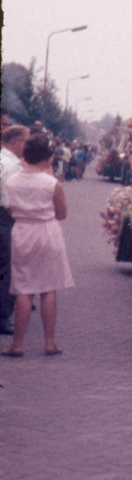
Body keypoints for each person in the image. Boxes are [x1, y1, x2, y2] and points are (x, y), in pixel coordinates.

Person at [1, 134, 74, 357]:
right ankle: (50, 342)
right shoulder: (52, 184)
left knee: (24, 288)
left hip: (22, 231)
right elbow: (62, 213)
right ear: (47, 158)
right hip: (47, 232)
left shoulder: (11, 181)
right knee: (48, 287)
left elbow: (9, 209)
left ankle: (18, 344)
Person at [1, 125, 30, 335]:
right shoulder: (11, 166)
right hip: (5, 218)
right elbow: (9, 200)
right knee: (7, 268)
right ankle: (3, 317)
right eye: (26, 142)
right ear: (17, 142)